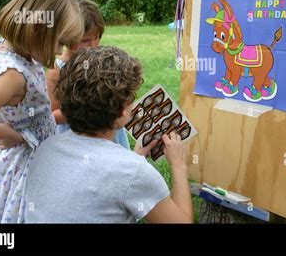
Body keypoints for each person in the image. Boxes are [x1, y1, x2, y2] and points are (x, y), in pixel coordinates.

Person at [0, 0, 83, 223]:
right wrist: (9, 130)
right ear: (37, 28)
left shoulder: (0, 49)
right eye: (60, 42)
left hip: (24, 158)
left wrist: (6, 107)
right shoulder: (14, 77)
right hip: (20, 168)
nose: (61, 52)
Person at [24, 46, 193, 223]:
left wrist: (136, 157)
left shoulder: (45, 148)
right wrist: (178, 166)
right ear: (122, 111)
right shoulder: (135, 172)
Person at [46, 0, 130, 149]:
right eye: (85, 40)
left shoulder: (101, 61)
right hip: (76, 137)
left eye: (97, 37)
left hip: (107, 130)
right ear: (68, 38)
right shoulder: (57, 69)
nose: (93, 45)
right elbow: (52, 115)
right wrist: (88, 109)